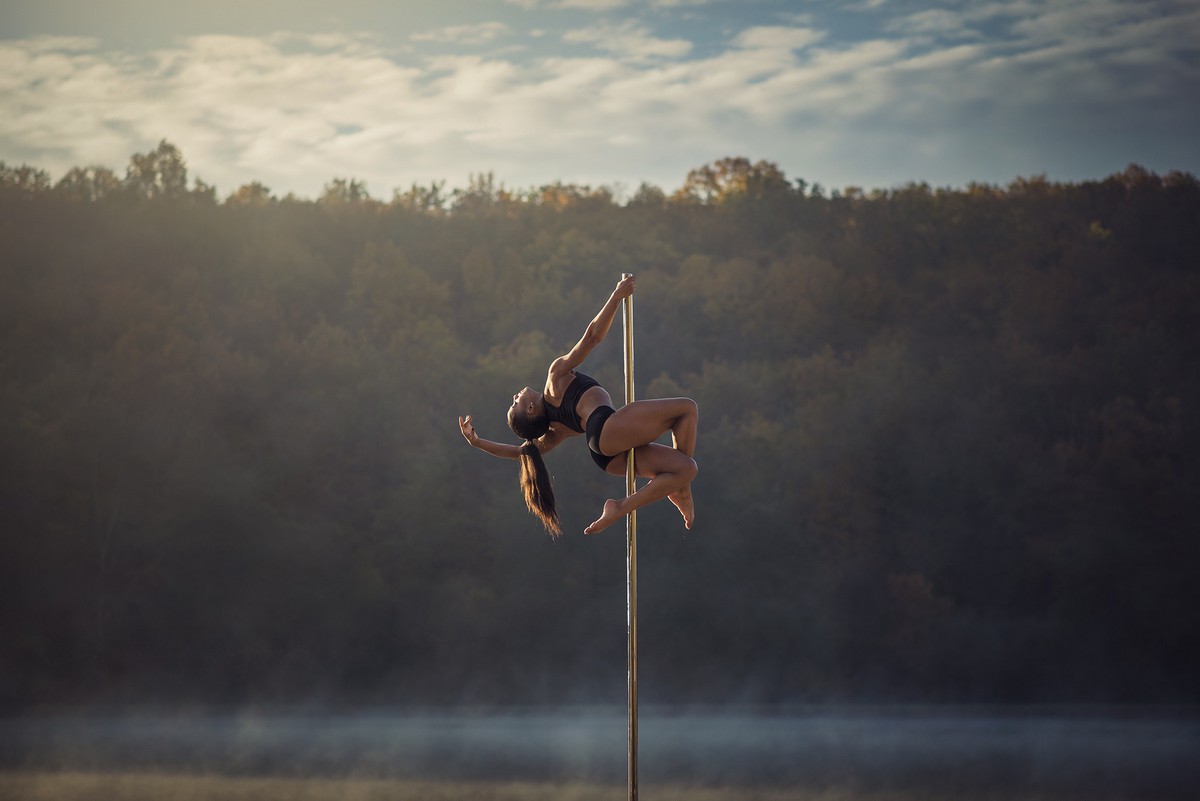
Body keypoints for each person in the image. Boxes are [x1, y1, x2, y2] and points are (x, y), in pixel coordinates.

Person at [458, 275, 698, 536]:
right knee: (686, 409)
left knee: (686, 468)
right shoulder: (555, 378)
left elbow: (521, 452)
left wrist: (478, 443)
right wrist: (616, 296)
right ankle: (677, 492)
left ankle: (626, 505)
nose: (514, 396)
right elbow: (592, 337)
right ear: (529, 409)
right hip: (607, 430)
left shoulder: (554, 431)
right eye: (514, 403)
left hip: (605, 457)